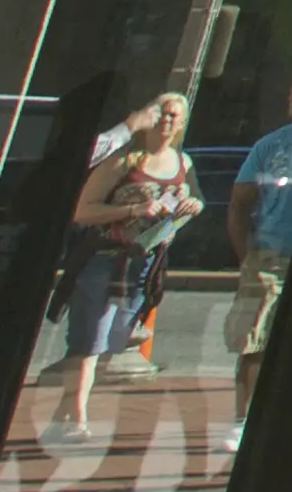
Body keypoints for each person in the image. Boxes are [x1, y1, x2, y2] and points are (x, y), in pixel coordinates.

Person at [45, 96, 202, 454]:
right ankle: (76, 417)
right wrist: (135, 207)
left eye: (173, 115)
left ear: (181, 123)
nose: (165, 120)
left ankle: (64, 412)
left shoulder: (183, 162)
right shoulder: (123, 162)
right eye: (160, 113)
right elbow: (82, 212)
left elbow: (195, 198)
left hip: (145, 262)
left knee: (115, 341)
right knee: (89, 340)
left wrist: (193, 204)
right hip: (104, 258)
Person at [225, 67, 292, 440]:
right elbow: (240, 203)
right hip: (269, 257)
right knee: (252, 341)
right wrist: (248, 256)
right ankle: (244, 422)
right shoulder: (270, 145)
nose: (291, 97)